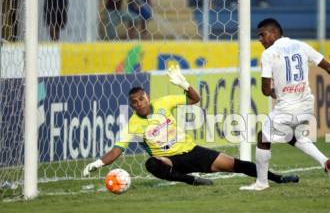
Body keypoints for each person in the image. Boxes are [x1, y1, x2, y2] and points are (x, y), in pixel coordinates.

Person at [83, 65, 299, 186]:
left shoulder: (164, 103)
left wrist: (184, 84)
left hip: (192, 151)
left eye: (141, 99)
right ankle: (192, 181)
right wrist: (97, 164)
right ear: (131, 106)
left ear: (147, 98)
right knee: (151, 164)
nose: (138, 104)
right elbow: (117, 150)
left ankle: (279, 179)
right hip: (170, 161)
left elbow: (195, 99)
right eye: (134, 102)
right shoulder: (133, 124)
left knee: (237, 164)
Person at [240, 18, 330, 191]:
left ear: (274, 33)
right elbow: (327, 67)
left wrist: (276, 92)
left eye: (262, 35)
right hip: (306, 105)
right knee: (293, 136)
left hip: (287, 107)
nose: (260, 39)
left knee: (263, 137)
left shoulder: (269, 54)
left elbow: (266, 90)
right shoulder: (302, 45)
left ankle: (261, 183)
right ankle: (325, 162)